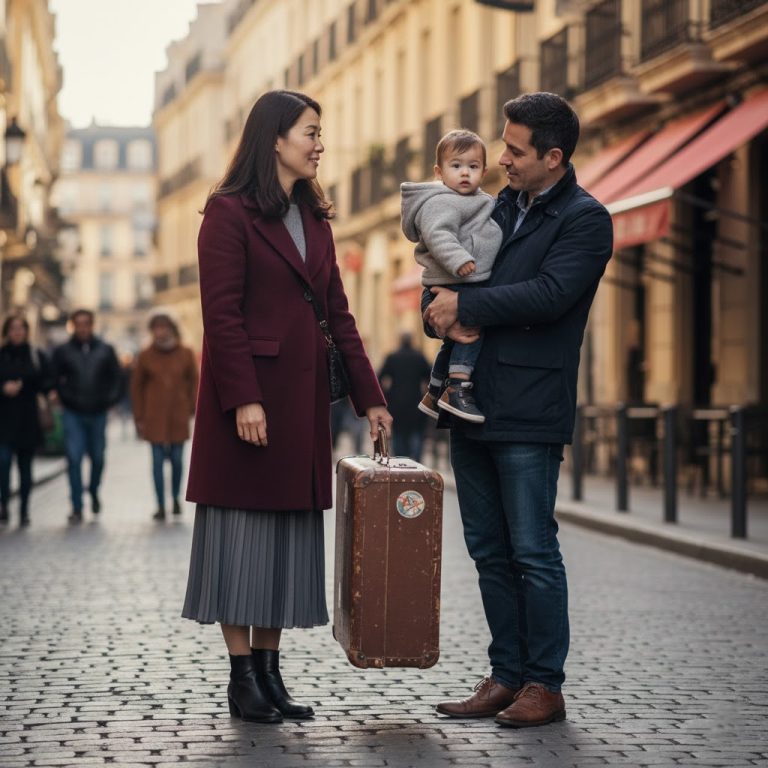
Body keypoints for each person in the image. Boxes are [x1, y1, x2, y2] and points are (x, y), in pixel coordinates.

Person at [180, 90, 392, 724]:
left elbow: (338, 314)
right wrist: (243, 398)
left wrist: (371, 399)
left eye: (320, 132)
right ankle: (241, 677)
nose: (320, 143)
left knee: (284, 542)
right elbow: (221, 316)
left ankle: (271, 673)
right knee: (240, 536)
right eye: (310, 132)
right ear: (274, 138)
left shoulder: (315, 217)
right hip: (246, 403)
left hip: (300, 405)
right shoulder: (227, 213)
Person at [424, 93, 612, 728]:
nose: (501, 159)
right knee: (487, 549)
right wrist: (437, 307)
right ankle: (505, 675)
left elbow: (551, 294)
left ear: (553, 157)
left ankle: (544, 684)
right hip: (469, 401)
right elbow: (449, 271)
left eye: (515, 150)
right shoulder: (496, 204)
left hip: (530, 406)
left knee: (532, 550)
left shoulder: (586, 219)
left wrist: (465, 305)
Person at [401, 129, 502, 424]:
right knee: (472, 332)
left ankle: (435, 390)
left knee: (454, 341)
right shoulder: (441, 201)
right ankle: (457, 387)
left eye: (473, 166)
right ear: (439, 172)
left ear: (484, 171)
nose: (465, 173)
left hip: (462, 278)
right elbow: (438, 235)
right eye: (456, 166)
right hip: (454, 278)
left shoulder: (479, 200)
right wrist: (460, 260)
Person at [52, 309, 123, 524]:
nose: (83, 328)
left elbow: (117, 379)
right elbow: (54, 378)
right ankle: (76, 505)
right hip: (73, 412)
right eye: (79, 324)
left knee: (98, 458)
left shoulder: (106, 350)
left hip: (98, 412)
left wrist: (109, 400)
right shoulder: (63, 351)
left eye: (86, 324)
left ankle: (93, 490)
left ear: (92, 325)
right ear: (73, 326)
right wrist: (64, 397)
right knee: (74, 458)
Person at [131, 312, 199, 521]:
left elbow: (195, 381)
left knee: (177, 460)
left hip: (178, 414)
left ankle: (176, 498)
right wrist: (139, 416)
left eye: (164, 327)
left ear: (171, 328)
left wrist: (192, 407)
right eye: (156, 328)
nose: (160, 332)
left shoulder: (185, 353)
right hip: (154, 416)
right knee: (157, 462)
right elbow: (137, 387)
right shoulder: (145, 355)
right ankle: (160, 504)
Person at [0, 315, 55, 527]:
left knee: (25, 467)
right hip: (4, 419)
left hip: (28, 418)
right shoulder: (1, 355)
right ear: (7, 331)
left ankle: (24, 509)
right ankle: (4, 505)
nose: (17, 332)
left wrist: (47, 391)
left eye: (21, 328)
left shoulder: (35, 355)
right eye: (13, 328)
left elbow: (47, 380)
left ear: (26, 331)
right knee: (3, 463)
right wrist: (4, 388)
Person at [377, 332, 431, 461]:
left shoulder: (392, 357)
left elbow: (380, 377)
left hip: (396, 402)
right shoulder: (419, 357)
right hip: (416, 402)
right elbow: (430, 377)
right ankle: (416, 462)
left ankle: (400, 460)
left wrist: (385, 395)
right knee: (416, 433)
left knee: (398, 433)